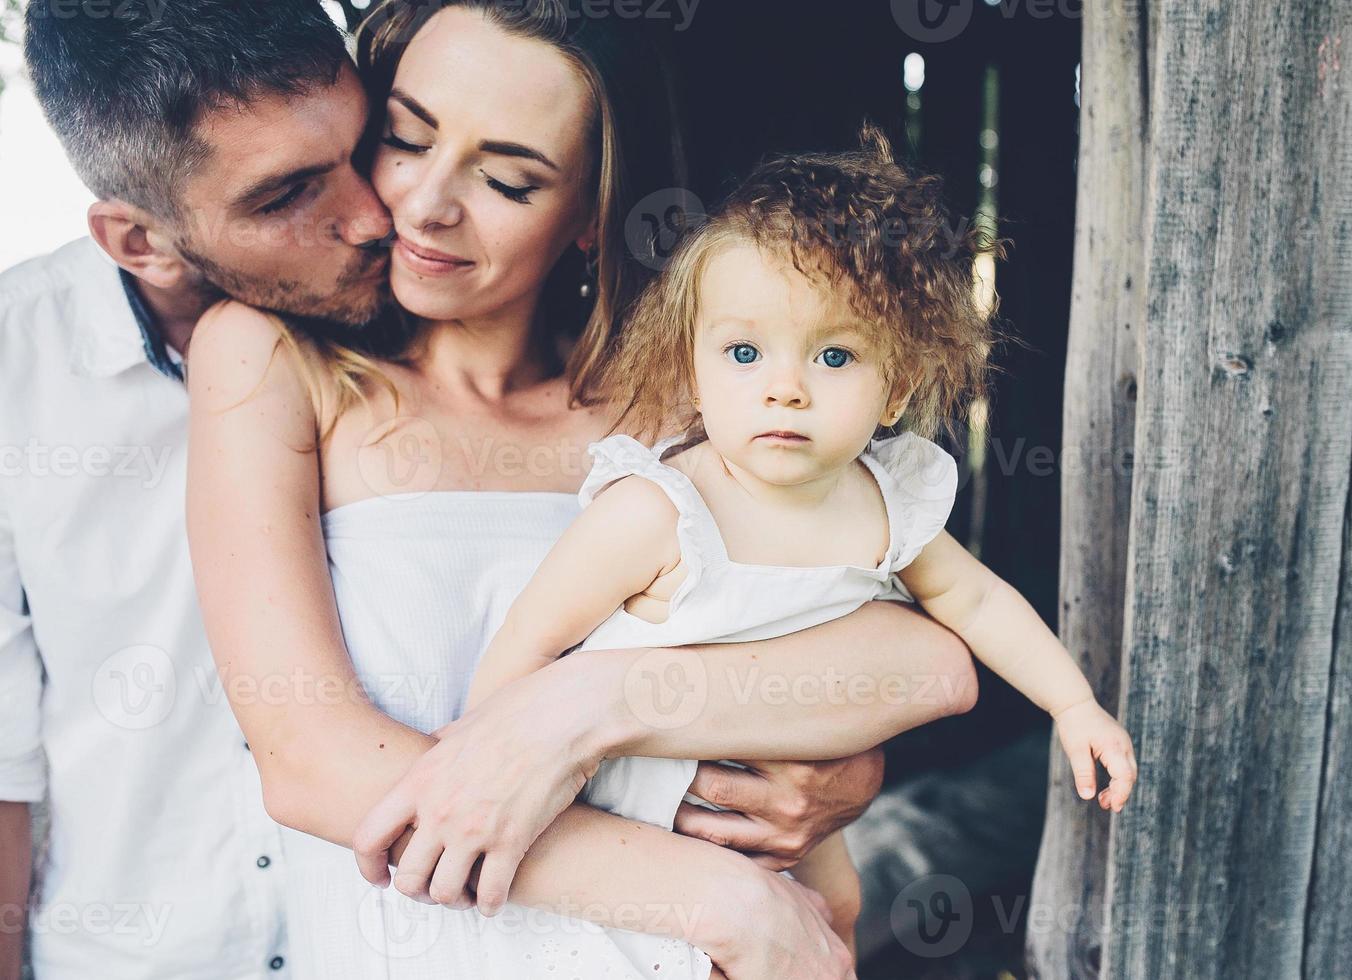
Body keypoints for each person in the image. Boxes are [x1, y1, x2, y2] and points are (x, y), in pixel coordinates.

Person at [8, 0, 931, 975]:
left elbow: (899, 652)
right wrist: (721, 898)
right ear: (139, 240)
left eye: (507, 178)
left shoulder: (676, 396)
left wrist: (604, 709)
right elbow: (308, 758)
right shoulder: (241, 360)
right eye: (402, 142)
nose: (396, 210)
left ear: (588, 217)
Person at [462, 126, 1140, 957]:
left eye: (834, 355)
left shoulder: (885, 504)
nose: (785, 388)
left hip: (783, 784)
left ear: (895, 390)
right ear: (695, 372)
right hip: (634, 795)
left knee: (839, 916)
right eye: (745, 352)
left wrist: (1070, 704)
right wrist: (493, 771)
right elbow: (527, 645)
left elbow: (979, 600)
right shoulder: (659, 509)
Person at [3, 1, 395, 974]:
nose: (373, 216)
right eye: (285, 195)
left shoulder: (448, 320)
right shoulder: (13, 371)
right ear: (137, 240)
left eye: (369, 147)